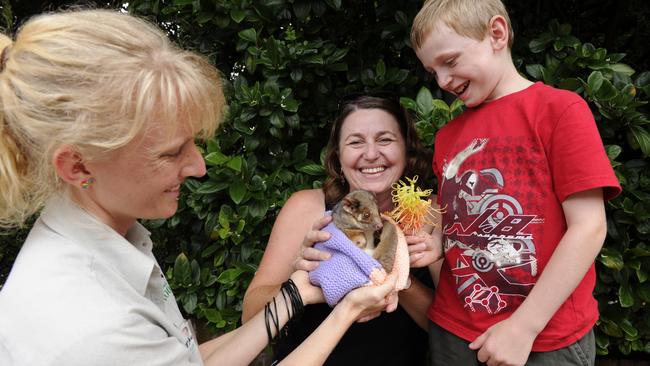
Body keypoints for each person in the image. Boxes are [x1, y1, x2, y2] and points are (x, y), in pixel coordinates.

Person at [0, 9, 398, 366]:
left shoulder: (113, 241)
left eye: (194, 143)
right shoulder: (91, 324)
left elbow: (190, 360)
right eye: (171, 153)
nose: (199, 166)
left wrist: (298, 291)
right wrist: (346, 312)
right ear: (78, 165)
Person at [409, 1, 622, 365]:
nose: (443, 81)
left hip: (543, 337)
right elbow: (454, 218)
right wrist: (435, 241)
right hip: (454, 328)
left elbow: (588, 228)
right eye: (433, 72)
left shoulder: (560, 110)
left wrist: (523, 327)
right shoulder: (448, 136)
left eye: (450, 61)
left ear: (496, 33)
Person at [242, 93, 442, 365]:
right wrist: (308, 277)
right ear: (338, 155)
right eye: (355, 142)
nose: (371, 154)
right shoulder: (307, 208)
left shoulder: (432, 213)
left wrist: (397, 272)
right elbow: (250, 315)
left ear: (407, 150)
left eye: (385, 139)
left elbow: (444, 330)